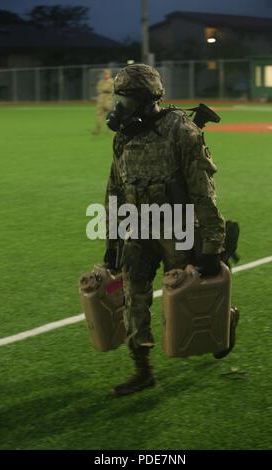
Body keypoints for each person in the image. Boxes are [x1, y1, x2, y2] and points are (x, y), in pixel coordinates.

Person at [103, 63, 239, 397]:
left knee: (190, 295)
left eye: (128, 101)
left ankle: (226, 322)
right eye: (118, 99)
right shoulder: (124, 135)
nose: (121, 108)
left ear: (149, 99)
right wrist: (112, 241)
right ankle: (143, 370)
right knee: (133, 295)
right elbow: (115, 189)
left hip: (178, 228)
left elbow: (202, 191)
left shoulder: (181, 130)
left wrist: (212, 244)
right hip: (137, 228)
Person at [92, 69, 114, 135]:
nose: (105, 75)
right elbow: (98, 89)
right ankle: (98, 129)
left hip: (108, 100)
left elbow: (110, 89)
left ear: (110, 74)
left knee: (109, 116)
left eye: (107, 74)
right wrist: (104, 89)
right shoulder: (101, 81)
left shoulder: (112, 81)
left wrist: (104, 89)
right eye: (104, 74)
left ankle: (110, 130)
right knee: (98, 115)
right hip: (101, 100)